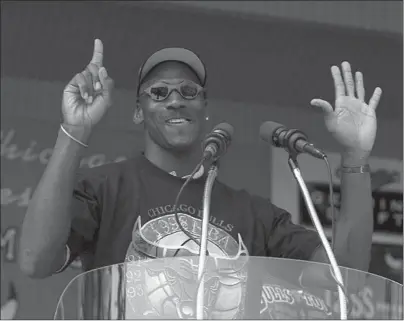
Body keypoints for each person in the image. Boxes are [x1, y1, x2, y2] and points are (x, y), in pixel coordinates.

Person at [19, 39, 381, 279]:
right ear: (138, 112)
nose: (175, 100)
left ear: (204, 109)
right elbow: (35, 260)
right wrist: (76, 130)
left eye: (188, 91)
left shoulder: (253, 214)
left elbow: (344, 276)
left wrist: (355, 155)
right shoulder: (104, 187)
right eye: (159, 93)